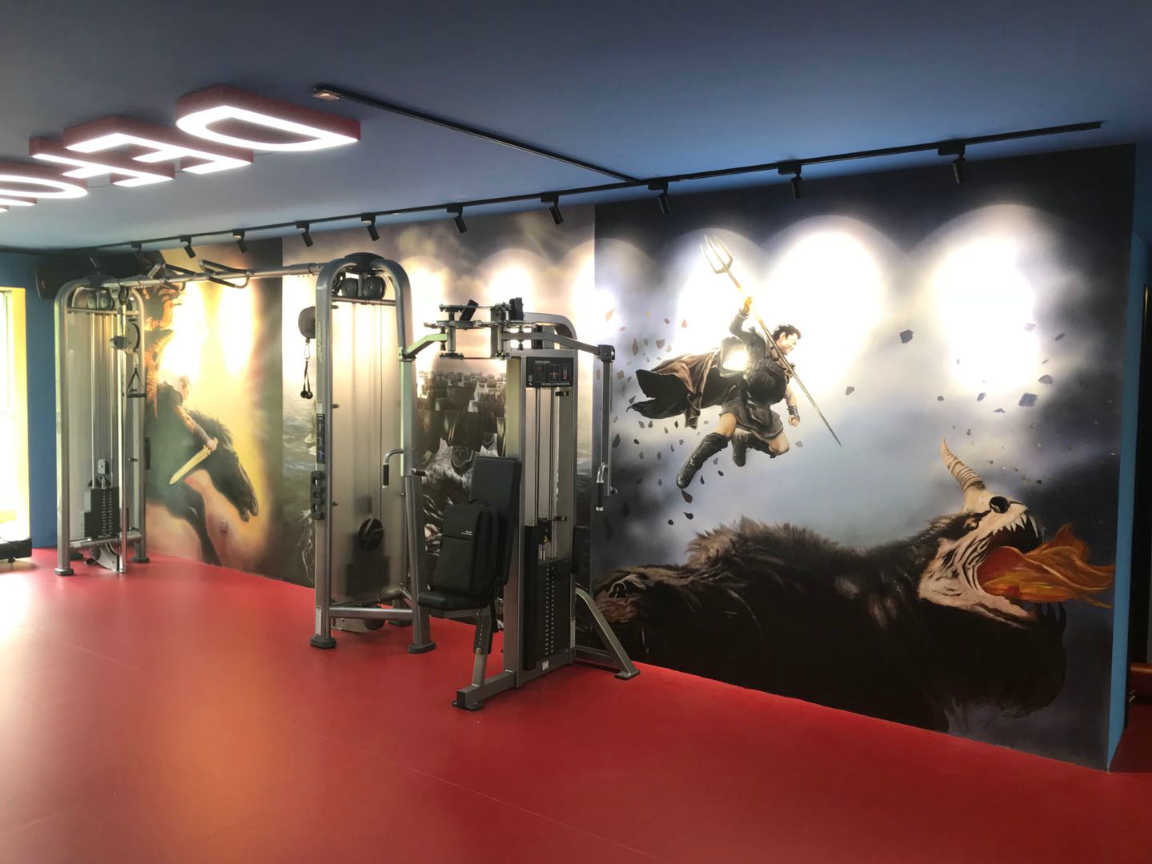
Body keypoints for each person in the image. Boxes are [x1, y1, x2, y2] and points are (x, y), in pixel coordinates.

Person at [674, 298, 801, 488]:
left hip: (762, 409)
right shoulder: (758, 343)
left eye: (796, 345)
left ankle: (745, 439)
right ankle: (692, 464)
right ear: (782, 336)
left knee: (781, 447)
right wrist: (743, 311)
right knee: (724, 433)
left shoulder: (785, 369)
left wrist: (794, 412)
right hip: (740, 398)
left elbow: (789, 394)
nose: (793, 346)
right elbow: (734, 328)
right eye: (793, 341)